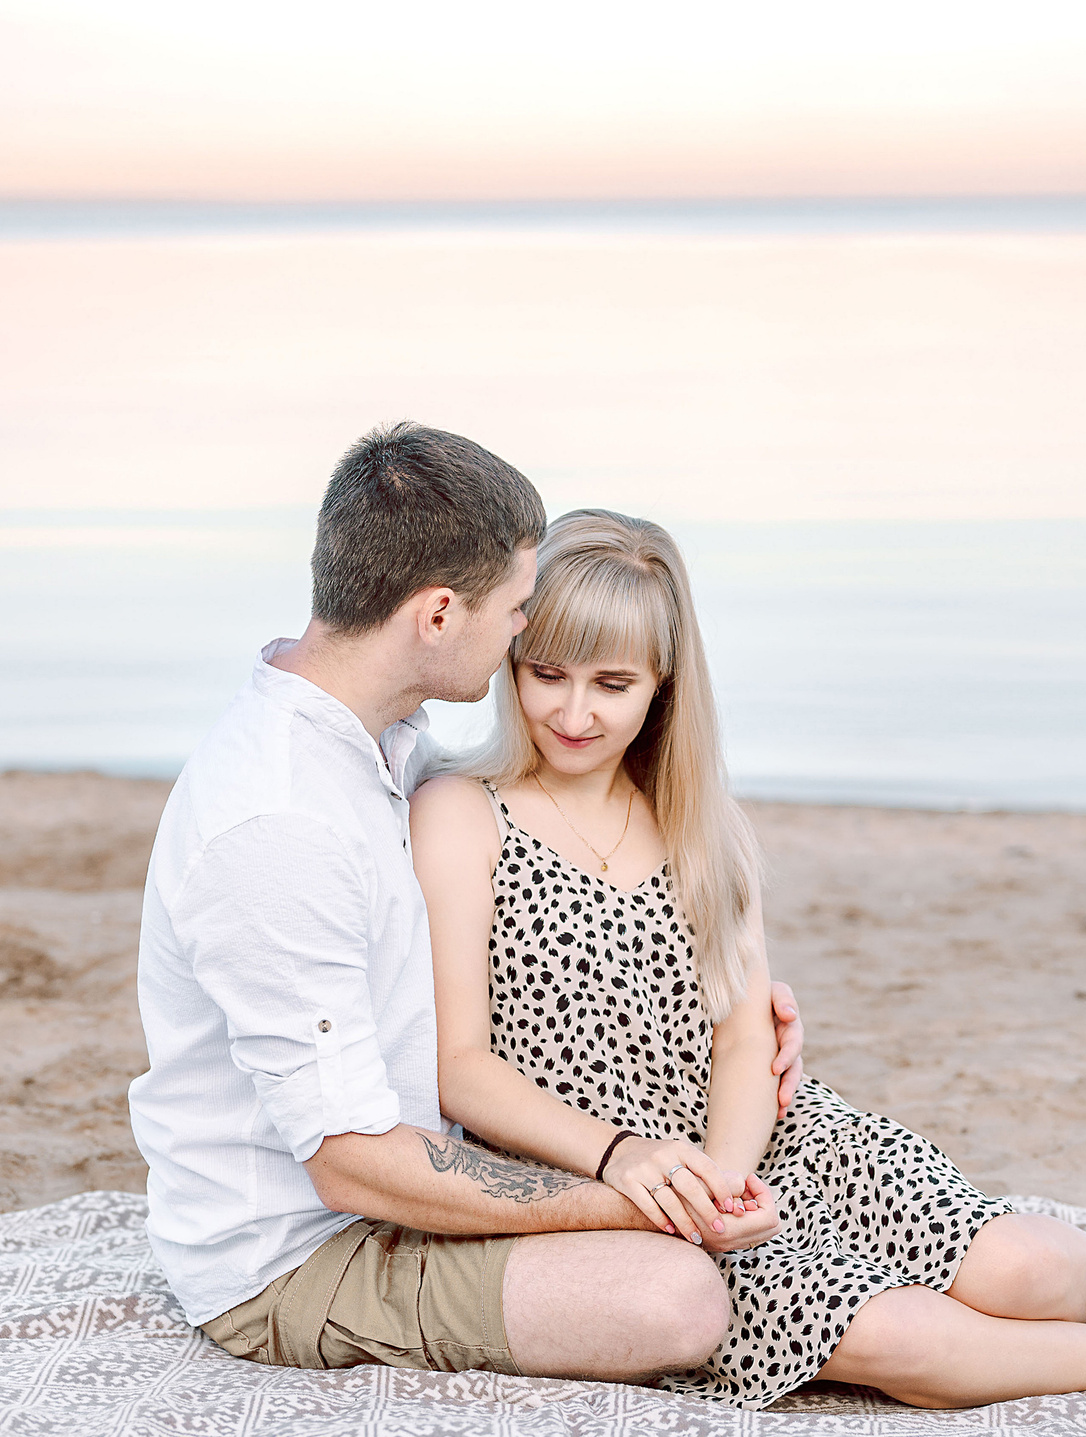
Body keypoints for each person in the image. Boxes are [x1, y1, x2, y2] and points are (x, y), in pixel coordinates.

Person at [410, 510, 1086, 1410]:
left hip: (759, 1146)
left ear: (662, 685)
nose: (573, 712)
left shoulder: (701, 828)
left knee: (1023, 1271)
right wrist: (639, 1171)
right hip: (600, 1182)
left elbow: (743, 1038)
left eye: (612, 684)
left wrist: (725, 1177)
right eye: (548, 675)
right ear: (512, 662)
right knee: (904, 1341)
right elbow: (462, 1066)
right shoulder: (464, 813)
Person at [129, 425, 807, 1387]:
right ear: (440, 613)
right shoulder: (279, 824)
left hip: (405, 1190)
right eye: (519, 608)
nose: (524, 632)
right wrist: (633, 1191)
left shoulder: (386, 739)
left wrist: (725, 1004)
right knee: (676, 1297)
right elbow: (351, 1164)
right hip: (306, 1253)